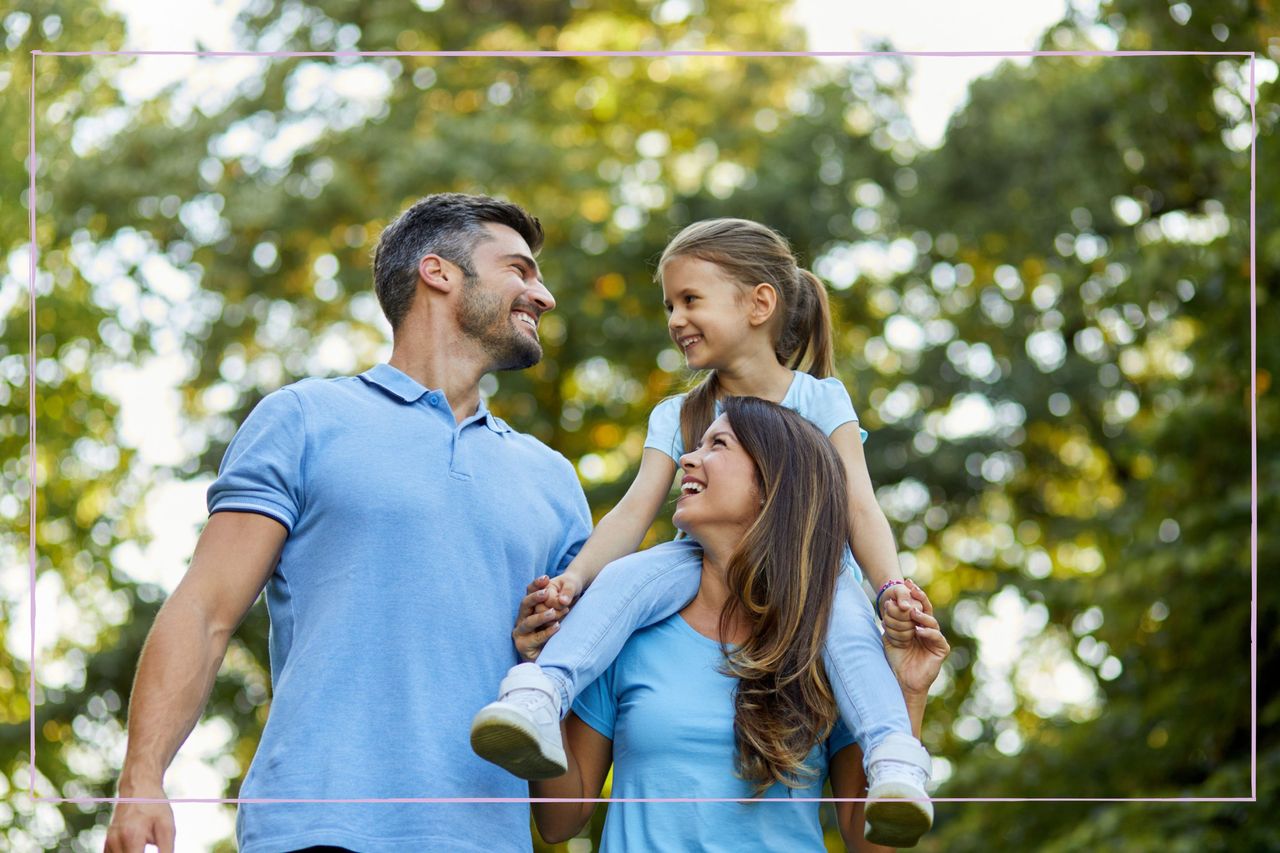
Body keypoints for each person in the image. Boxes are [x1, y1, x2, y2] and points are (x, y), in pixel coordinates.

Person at [104, 193, 592, 853]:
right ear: (438, 271)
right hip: (314, 830)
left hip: (485, 839)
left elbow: (564, 736)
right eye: (520, 270)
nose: (544, 294)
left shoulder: (553, 481)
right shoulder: (304, 418)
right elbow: (205, 608)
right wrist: (142, 777)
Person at [471, 218, 936, 846]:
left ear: (759, 304)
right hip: (690, 563)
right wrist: (571, 585)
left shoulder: (821, 401)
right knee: (627, 580)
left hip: (814, 581)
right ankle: (541, 689)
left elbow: (859, 506)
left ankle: (895, 760)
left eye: (690, 300)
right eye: (670, 304)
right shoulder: (680, 413)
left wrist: (890, 594)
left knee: (851, 631)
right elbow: (635, 512)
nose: (674, 318)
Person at [529, 397, 948, 851]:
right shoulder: (626, 630)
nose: (688, 458)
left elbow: (872, 844)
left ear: (771, 485)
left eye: (718, 445)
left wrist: (908, 691)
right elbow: (558, 819)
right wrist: (539, 665)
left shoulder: (833, 652)